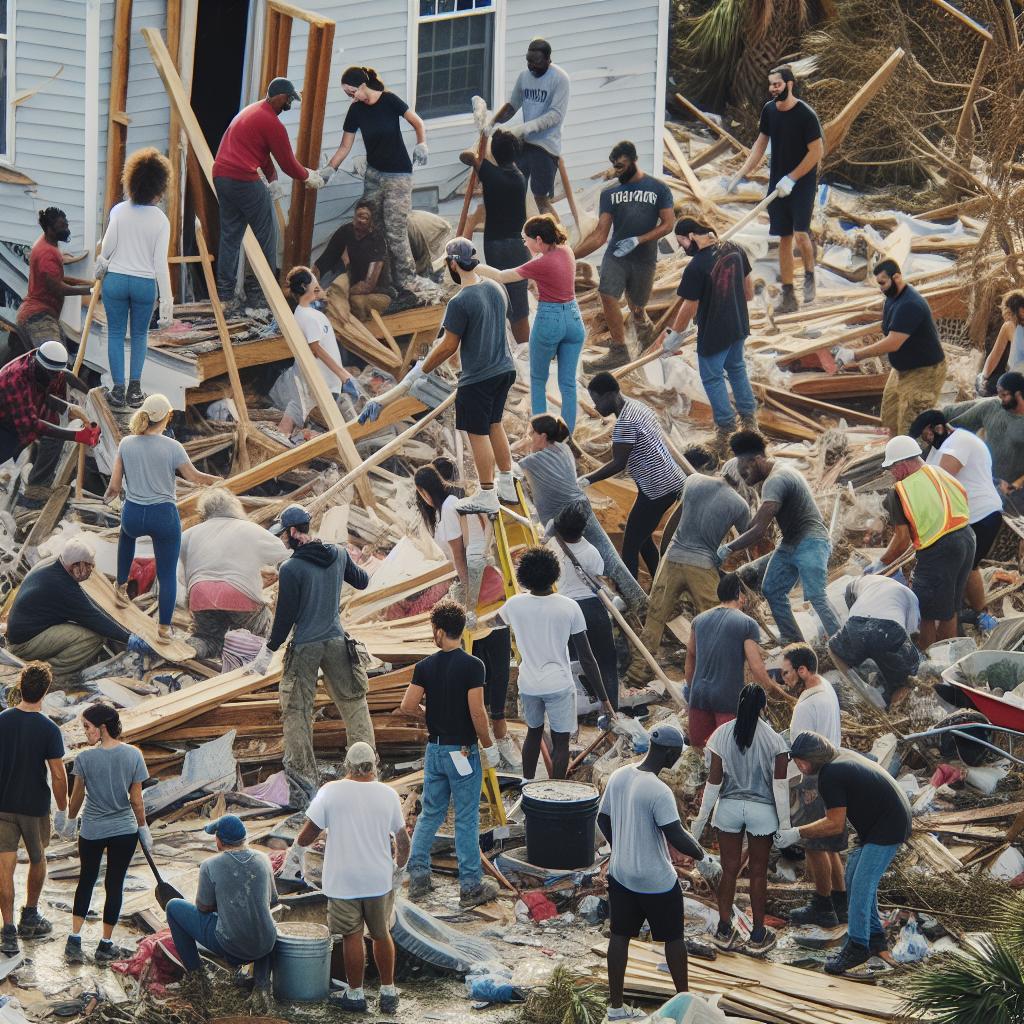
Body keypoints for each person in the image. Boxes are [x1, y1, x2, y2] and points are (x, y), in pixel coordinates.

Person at [248, 504, 374, 808]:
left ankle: (303, 777)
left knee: (297, 710)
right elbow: (363, 581)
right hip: (335, 640)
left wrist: (268, 651)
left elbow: (286, 617)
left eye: (283, 535)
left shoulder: (291, 569)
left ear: (292, 532)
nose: (282, 541)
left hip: (305, 646)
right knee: (353, 703)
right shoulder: (338, 553)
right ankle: (366, 768)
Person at [598, 724, 721, 1020]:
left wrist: (622, 847)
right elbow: (675, 834)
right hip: (655, 881)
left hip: (621, 874)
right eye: (676, 754)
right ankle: (684, 1001)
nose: (676, 759)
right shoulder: (659, 791)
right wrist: (704, 858)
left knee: (619, 936)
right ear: (667, 752)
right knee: (674, 939)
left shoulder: (619, 776)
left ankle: (615, 1008)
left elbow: (603, 819)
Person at [776, 732, 912, 975]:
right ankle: (876, 941)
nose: (797, 766)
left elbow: (834, 824)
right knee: (853, 880)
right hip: (876, 824)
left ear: (814, 758)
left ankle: (857, 946)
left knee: (861, 886)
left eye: (800, 762)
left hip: (889, 826)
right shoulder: (837, 759)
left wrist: (796, 833)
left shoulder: (831, 774)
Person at [413, 463, 518, 769]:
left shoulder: (448, 509)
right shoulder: (462, 500)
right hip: (491, 589)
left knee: (481, 676)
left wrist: (468, 604)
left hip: (480, 594)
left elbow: (463, 559)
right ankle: (497, 740)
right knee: (494, 674)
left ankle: (489, 743)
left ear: (424, 491)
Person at [398, 600, 501, 910]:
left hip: (435, 750)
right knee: (466, 819)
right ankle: (470, 886)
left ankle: (418, 878)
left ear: (439, 631)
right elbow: (477, 712)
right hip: (463, 750)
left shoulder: (425, 666)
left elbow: (406, 706)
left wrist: (430, 714)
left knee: (430, 814)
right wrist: (489, 746)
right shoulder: (473, 666)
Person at [623, 446, 751, 690]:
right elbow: (747, 539)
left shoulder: (693, 481)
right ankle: (714, 674)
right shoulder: (739, 505)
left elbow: (674, 521)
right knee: (717, 620)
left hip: (672, 557)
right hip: (702, 565)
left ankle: (636, 676)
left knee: (655, 618)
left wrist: (663, 557)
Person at [406, 237, 517, 514]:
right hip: (505, 369)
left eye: (447, 265)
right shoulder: (494, 288)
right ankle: (507, 480)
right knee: (495, 424)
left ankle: (487, 493)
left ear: (453, 263)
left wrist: (420, 370)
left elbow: (447, 346)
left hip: (479, 378)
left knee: (477, 433)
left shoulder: (459, 301)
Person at [297, 742, 408, 1014]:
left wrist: (297, 853)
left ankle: (356, 994)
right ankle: (388, 992)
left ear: (347, 765)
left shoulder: (330, 791)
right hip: (378, 878)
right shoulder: (388, 794)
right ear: (375, 763)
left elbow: (307, 834)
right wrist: (399, 870)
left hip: (343, 880)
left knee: (352, 936)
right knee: (381, 934)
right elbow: (403, 841)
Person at [104, 394, 220, 638]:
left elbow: (114, 485)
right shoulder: (173, 447)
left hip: (134, 513)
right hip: (163, 516)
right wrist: (219, 482)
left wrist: (108, 497)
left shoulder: (126, 443)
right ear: (167, 417)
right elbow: (195, 478)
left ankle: (121, 587)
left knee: (126, 536)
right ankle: (164, 629)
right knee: (166, 574)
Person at [690, 685, 790, 954]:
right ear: (763, 707)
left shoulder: (721, 735)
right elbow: (780, 789)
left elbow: (713, 784)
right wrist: (785, 827)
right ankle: (757, 935)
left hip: (729, 808)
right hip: (763, 811)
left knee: (729, 869)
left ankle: (724, 930)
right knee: (758, 873)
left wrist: (699, 825)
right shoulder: (775, 741)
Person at [498, 547, 614, 779]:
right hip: (559, 685)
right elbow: (587, 658)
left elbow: (490, 624)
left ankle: (527, 785)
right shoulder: (569, 607)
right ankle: (558, 789)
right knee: (561, 743)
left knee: (533, 733)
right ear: (555, 573)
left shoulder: (514, 605)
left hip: (529, 684)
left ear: (524, 577)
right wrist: (604, 699)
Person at [519, 414, 647, 615]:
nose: (528, 438)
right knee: (609, 556)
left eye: (530, 434)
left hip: (564, 518)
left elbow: (513, 462)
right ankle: (637, 600)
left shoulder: (533, 461)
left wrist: (520, 445)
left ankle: (610, 601)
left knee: (574, 562)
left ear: (542, 436)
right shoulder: (562, 449)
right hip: (581, 506)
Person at [211, 78, 323, 308]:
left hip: (222, 176)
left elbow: (262, 155)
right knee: (268, 234)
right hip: (243, 179)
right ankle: (261, 295)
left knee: (230, 236)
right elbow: (288, 163)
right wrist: (308, 176)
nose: (288, 106)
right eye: (288, 101)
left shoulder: (251, 112)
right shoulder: (271, 122)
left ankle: (225, 296)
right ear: (280, 97)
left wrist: (272, 181)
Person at [721, 430, 841, 645]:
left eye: (746, 474)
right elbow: (754, 523)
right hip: (790, 543)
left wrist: (727, 549)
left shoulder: (777, 480)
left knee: (816, 595)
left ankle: (842, 643)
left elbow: (758, 531)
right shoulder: (774, 475)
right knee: (772, 589)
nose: (746, 480)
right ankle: (792, 640)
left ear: (757, 460)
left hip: (812, 541)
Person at [726, 65, 823, 313]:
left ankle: (810, 275)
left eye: (777, 84)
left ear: (789, 85)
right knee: (784, 238)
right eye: (770, 84)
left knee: (801, 234)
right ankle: (789, 295)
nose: (772, 89)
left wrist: (792, 177)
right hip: (777, 182)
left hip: (801, 183)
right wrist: (740, 173)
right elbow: (760, 145)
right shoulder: (769, 111)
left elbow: (816, 152)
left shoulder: (806, 115)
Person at [324, 66, 427, 299]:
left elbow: (417, 122)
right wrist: (330, 169)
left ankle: (408, 283)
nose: (351, 98)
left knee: (395, 230)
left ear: (362, 85)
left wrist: (422, 143)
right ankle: (385, 282)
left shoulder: (389, 100)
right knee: (373, 228)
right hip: (374, 174)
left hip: (398, 175)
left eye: (352, 93)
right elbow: (345, 146)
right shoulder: (356, 111)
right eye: (348, 95)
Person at [477, 215, 583, 429]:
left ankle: (541, 432)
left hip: (550, 319)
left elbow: (501, 276)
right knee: (568, 383)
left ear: (538, 240)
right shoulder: (565, 250)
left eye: (526, 239)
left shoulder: (542, 263)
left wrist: (473, 266)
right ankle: (568, 433)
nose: (524, 243)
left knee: (537, 380)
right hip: (573, 317)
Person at [660, 219, 758, 452]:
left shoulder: (696, 267)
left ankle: (726, 430)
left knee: (713, 378)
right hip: (739, 324)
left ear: (691, 236)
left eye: (682, 242)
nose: (683, 247)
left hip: (714, 332)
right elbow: (749, 293)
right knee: (736, 368)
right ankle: (750, 421)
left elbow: (688, 306)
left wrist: (674, 336)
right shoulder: (735, 249)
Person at [574, 141, 675, 369]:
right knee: (607, 293)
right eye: (615, 167)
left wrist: (639, 240)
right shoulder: (610, 193)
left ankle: (645, 332)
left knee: (637, 306)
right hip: (617, 256)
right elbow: (600, 235)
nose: (617, 171)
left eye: (621, 166)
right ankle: (619, 350)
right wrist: (569, 254)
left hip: (644, 258)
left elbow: (668, 224)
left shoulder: (658, 189)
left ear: (633, 160)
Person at [64, 704, 150, 964]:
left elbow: (77, 796)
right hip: (125, 829)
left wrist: (69, 820)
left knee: (87, 880)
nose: (85, 732)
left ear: (102, 728)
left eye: (87, 727)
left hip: (92, 828)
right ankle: (105, 945)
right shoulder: (133, 755)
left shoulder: (84, 759)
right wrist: (143, 828)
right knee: (114, 884)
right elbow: (136, 800)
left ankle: (74, 940)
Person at [874, 435, 975, 649]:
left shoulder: (900, 491)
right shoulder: (940, 472)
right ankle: (948, 655)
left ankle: (927, 658)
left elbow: (901, 539)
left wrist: (881, 563)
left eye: (892, 468)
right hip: (967, 538)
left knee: (926, 611)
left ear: (902, 465)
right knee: (950, 608)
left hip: (940, 549)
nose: (892, 474)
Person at [582, 373, 685, 581]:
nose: (595, 407)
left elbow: (618, 464)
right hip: (670, 480)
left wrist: (586, 480)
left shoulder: (624, 424)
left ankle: (633, 596)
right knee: (643, 537)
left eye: (597, 401)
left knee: (630, 545)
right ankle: (658, 582)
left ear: (610, 395)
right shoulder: (635, 406)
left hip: (658, 488)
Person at [909, 409, 1003, 630]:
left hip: (983, 514)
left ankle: (983, 616)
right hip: (961, 518)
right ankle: (962, 612)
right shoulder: (937, 449)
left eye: (927, 435)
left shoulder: (959, 442)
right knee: (961, 568)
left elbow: (939, 480)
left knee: (968, 567)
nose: (926, 440)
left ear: (938, 428)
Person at [166, 815, 277, 1001]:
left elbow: (203, 907)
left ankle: (197, 978)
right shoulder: (263, 859)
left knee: (173, 906)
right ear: (244, 838)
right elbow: (272, 900)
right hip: (265, 944)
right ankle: (262, 984)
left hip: (231, 946)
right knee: (264, 920)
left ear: (219, 841)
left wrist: (224, 903)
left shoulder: (210, 865)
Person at [6, 537, 151, 678]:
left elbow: (88, 606)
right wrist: (128, 638)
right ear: (75, 565)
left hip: (23, 632)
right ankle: (46, 674)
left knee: (84, 629)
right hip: (23, 644)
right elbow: (93, 617)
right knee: (93, 638)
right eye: (87, 565)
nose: (91, 569)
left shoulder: (54, 567)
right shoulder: (62, 585)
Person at [832, 260, 946, 436]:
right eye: (878, 284)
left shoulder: (910, 304)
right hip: (901, 370)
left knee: (911, 427)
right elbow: (888, 328)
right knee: (889, 418)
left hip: (924, 372)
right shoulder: (891, 299)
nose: (881, 288)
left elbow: (893, 342)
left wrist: (856, 355)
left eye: (883, 283)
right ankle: (892, 458)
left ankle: (917, 461)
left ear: (897, 277)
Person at [97, 147, 174, 409]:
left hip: (116, 280)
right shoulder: (161, 220)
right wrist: (167, 301)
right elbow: (160, 264)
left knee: (116, 333)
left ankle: (117, 390)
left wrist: (99, 270)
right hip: (144, 284)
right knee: (140, 335)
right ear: (158, 186)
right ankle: (135, 391)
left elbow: (106, 248)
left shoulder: (119, 211)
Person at [0, 662, 68, 956]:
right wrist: (64, 808)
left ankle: (7, 931)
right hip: (35, 807)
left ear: (20, 685)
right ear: (46, 691)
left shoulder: (2, 720)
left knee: (5, 869)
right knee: (38, 860)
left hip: (3, 805)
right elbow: (57, 774)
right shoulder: (49, 728)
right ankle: (30, 915)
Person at [778, 645, 847, 929]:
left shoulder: (806, 706)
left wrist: (795, 787)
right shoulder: (827, 689)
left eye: (786, 673)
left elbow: (800, 754)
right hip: (832, 770)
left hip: (812, 779)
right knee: (829, 845)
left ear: (802, 670)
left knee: (814, 846)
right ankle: (840, 903)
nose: (784, 679)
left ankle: (822, 905)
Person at [178, 489, 289, 660]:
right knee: (261, 628)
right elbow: (281, 553)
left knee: (208, 637)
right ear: (234, 508)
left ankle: (191, 651)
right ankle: (255, 659)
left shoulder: (188, 534)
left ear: (204, 512)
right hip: (239, 594)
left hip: (200, 594)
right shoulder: (249, 529)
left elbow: (181, 576)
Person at [685, 573, 791, 750]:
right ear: (738, 595)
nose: (744, 600)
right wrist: (778, 691)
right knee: (729, 752)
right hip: (727, 699)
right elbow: (756, 667)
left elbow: (690, 657)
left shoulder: (699, 620)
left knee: (700, 750)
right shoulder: (747, 624)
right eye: (743, 595)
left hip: (699, 696)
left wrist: (691, 688)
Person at [269, 267, 361, 438]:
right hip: (319, 379)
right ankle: (279, 446)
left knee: (296, 412)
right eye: (313, 281)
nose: (317, 284)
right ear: (305, 287)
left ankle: (282, 442)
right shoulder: (307, 316)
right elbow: (316, 349)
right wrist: (343, 375)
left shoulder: (308, 313)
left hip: (321, 378)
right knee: (303, 414)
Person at [459, 130, 530, 345]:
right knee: (518, 301)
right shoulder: (519, 177)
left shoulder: (490, 174)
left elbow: (467, 157)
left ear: (495, 155)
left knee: (501, 296)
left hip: (497, 247)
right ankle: (522, 346)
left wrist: (481, 140)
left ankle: (514, 345)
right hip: (518, 246)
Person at [550, 502, 619, 710]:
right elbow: (598, 576)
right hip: (593, 609)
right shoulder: (591, 551)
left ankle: (579, 710)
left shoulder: (553, 547)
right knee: (605, 660)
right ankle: (611, 708)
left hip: (566, 609)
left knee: (574, 662)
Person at [491, 39, 570, 219]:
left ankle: (558, 240)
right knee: (515, 188)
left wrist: (525, 127)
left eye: (536, 62)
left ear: (548, 60)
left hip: (546, 146)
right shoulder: (524, 76)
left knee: (540, 198)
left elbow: (555, 115)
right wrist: (492, 122)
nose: (531, 66)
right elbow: (512, 105)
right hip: (525, 143)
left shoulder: (559, 79)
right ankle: (522, 237)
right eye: (528, 61)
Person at [0, 341, 100, 467]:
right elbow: (32, 425)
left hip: (17, 423)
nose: (56, 377)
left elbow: (48, 389)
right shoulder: (15, 379)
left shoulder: (43, 362)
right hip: (4, 426)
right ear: (40, 366)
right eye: (53, 373)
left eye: (58, 372)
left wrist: (68, 408)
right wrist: (76, 435)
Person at [829, 575, 921, 708]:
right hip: (887, 630)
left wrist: (857, 680)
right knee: (905, 680)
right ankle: (894, 714)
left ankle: (861, 690)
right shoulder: (911, 597)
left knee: (833, 650)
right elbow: (910, 635)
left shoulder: (866, 581)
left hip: (856, 625)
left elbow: (861, 627)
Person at [16, 207, 93, 348]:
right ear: (50, 229)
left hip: (42, 314)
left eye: (67, 224)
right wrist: (90, 291)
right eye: (62, 226)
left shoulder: (48, 243)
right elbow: (58, 288)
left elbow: (56, 278)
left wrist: (90, 284)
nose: (67, 229)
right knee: (54, 359)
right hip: (38, 317)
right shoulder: (47, 253)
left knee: (54, 359)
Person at [315, 200, 392, 327]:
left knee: (355, 301)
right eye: (358, 216)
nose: (360, 221)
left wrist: (344, 294)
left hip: (378, 293)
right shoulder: (346, 232)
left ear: (372, 222)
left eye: (365, 218)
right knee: (332, 298)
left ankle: (361, 331)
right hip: (354, 286)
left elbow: (368, 285)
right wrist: (312, 282)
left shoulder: (377, 240)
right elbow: (325, 260)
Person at [945, 370, 1024, 494]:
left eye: (1004, 395)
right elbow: (957, 419)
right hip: (981, 480)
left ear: (1018, 394)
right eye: (999, 395)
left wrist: (1015, 485)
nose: (1001, 399)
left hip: (1010, 490)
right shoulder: (993, 407)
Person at [979, 288, 1024, 388]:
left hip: (1019, 380)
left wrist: (983, 377)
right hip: (1016, 376)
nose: (1006, 318)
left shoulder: (1011, 326)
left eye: (1008, 314)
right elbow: (995, 356)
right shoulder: (1010, 326)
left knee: (985, 383)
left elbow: (995, 357)